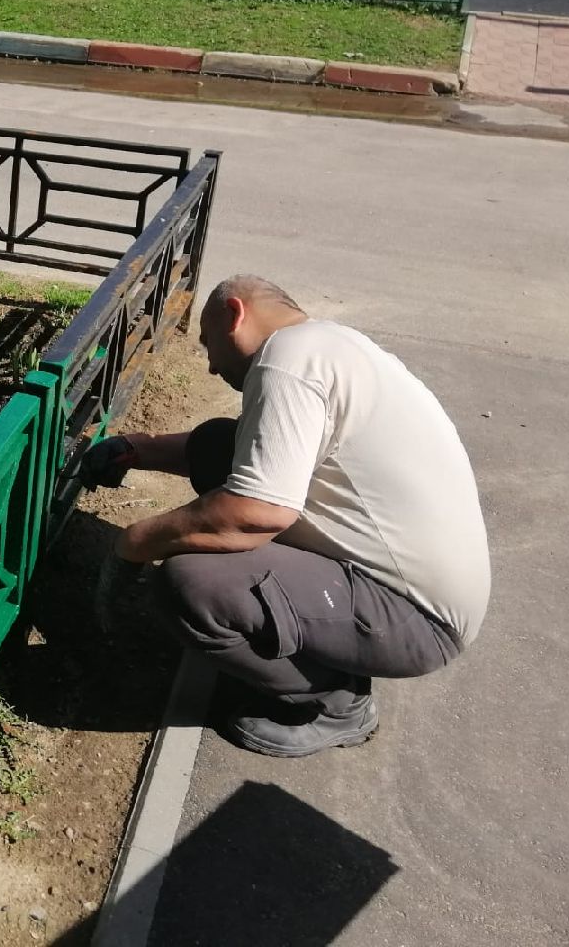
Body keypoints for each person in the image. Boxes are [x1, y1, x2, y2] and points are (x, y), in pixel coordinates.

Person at [80, 275, 490, 758]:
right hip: (415, 591)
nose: (211, 367)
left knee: (194, 582)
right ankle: (321, 643)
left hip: (417, 620)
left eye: (209, 343)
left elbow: (255, 515)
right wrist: (139, 449)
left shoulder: (287, 362)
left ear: (235, 314)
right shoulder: (330, 346)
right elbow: (235, 454)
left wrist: (135, 542)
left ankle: (336, 702)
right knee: (220, 445)